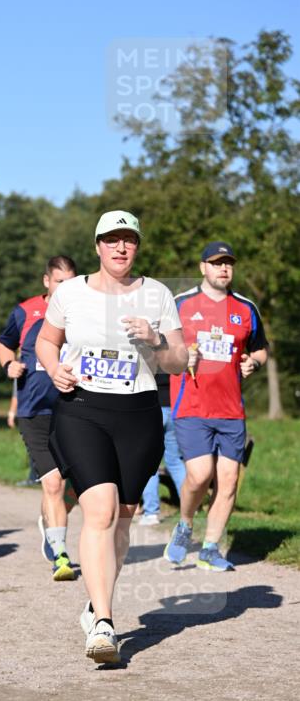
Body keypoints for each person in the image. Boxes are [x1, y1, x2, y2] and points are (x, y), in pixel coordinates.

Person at [36, 210, 188, 664]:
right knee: (98, 508)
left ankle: (95, 603)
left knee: (123, 514)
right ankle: (103, 622)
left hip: (138, 412)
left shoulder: (157, 294)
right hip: (82, 408)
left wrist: (157, 339)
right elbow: (47, 341)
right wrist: (53, 368)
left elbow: (179, 362)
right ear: (98, 245)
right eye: (112, 240)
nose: (121, 248)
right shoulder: (69, 292)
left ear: (137, 246)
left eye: (129, 240)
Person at [165, 241, 268, 571]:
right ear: (202, 268)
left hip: (231, 410)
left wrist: (254, 361)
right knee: (200, 475)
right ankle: (184, 526)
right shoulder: (181, 304)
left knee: (228, 479)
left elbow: (261, 348)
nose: (223, 268)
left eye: (228, 263)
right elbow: (161, 349)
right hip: (191, 406)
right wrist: (181, 355)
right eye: (216, 263)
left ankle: (210, 548)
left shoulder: (246, 308)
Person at [0, 256, 78, 581]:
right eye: (59, 281)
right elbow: (4, 344)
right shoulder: (25, 311)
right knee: (54, 482)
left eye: (70, 282)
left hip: (75, 408)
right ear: (47, 281)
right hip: (35, 410)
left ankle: (50, 520)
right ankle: (61, 554)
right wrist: (9, 365)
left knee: (79, 486)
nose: (65, 288)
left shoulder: (83, 311)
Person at [138, 372, 186, 525]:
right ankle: (191, 508)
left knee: (148, 464)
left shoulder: (146, 350)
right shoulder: (175, 351)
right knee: (175, 461)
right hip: (175, 407)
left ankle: (151, 513)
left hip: (151, 408)